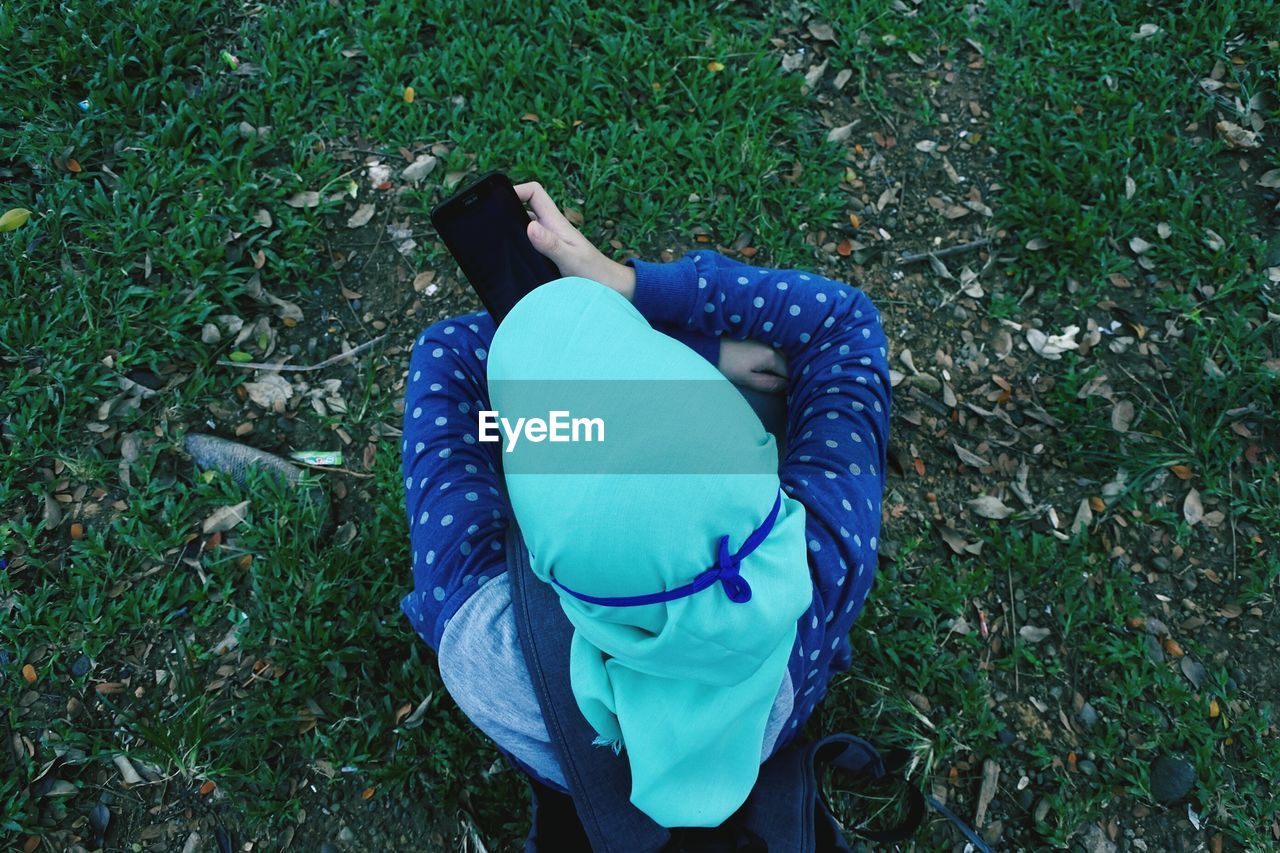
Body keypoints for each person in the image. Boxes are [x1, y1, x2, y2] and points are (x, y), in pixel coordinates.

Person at [400, 180, 890, 832]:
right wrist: (632, 290)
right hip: (772, 716)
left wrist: (591, 383)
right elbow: (844, 321)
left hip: (571, 756)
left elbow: (453, 352)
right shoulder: (818, 573)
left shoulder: (482, 646)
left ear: (546, 563)